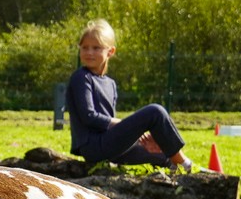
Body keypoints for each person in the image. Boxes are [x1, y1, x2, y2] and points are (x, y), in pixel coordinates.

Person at [64, 20, 193, 170]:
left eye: (96, 48)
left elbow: (110, 125)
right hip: (94, 147)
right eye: (85, 48)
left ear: (110, 51)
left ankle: (177, 167)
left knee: (163, 153)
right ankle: (185, 163)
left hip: (110, 148)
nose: (89, 52)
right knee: (155, 112)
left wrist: (137, 138)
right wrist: (131, 127)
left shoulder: (110, 83)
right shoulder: (81, 77)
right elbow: (89, 116)